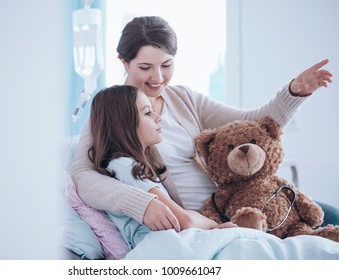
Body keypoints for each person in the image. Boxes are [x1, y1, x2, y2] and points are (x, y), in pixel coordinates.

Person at [70, 16, 338, 231]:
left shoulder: (183, 97)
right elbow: (82, 174)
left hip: (237, 201)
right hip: (205, 221)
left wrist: (293, 93)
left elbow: (252, 124)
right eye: (145, 67)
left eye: (166, 65)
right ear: (124, 62)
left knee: (328, 214)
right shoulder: (112, 110)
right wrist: (141, 204)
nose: (158, 77)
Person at [87, 85, 236, 248]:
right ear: (124, 124)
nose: (158, 117)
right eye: (147, 113)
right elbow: (183, 220)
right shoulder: (125, 166)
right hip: (160, 245)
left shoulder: (136, 164)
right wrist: (215, 227)